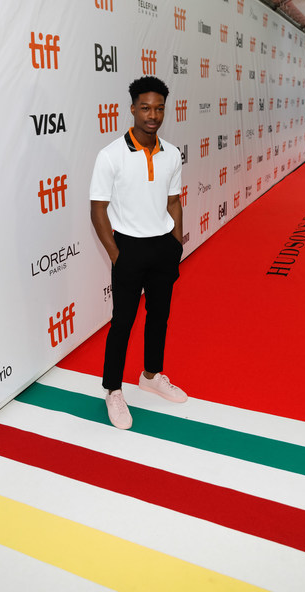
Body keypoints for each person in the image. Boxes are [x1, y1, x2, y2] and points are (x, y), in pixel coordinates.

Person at [90, 75, 187, 430]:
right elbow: (98, 209)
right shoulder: (110, 155)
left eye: (159, 108)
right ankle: (113, 390)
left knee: (159, 315)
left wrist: (176, 241)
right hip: (128, 248)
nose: (152, 115)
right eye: (145, 108)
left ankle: (151, 374)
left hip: (163, 247)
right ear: (132, 109)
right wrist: (117, 255)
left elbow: (174, 201)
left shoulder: (172, 153)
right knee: (123, 322)